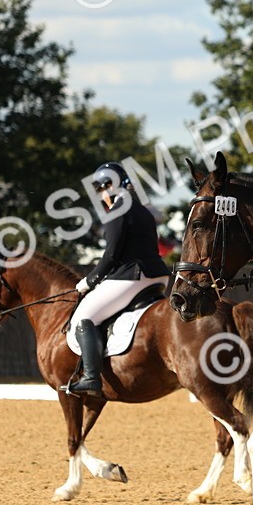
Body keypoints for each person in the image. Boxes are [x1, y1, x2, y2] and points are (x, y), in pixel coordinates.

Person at [64, 161, 173, 397]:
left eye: (100, 189)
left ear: (109, 186)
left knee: (85, 317)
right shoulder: (143, 209)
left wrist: (90, 281)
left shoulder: (118, 210)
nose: (101, 196)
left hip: (132, 278)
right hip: (158, 277)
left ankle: (91, 377)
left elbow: (112, 254)